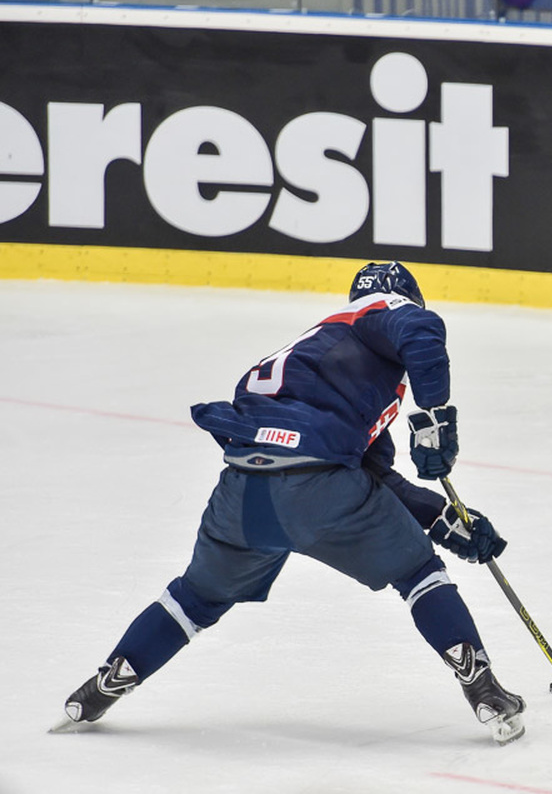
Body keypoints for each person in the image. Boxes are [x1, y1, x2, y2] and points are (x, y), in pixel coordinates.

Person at [57, 262, 527, 745]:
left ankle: (104, 685)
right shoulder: (380, 310)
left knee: (196, 598)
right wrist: (433, 421)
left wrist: (441, 517)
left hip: (244, 491)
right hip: (319, 488)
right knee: (417, 574)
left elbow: (374, 479)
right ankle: (483, 689)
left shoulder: (321, 356)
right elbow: (421, 334)